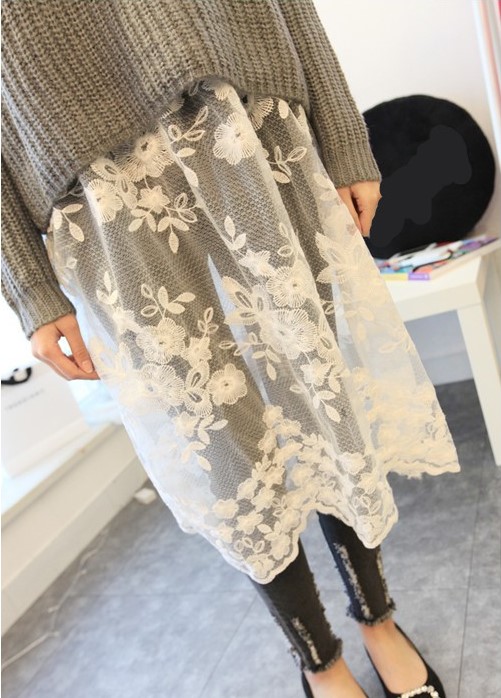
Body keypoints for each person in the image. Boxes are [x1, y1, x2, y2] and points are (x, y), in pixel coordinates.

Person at [2, 1, 460, 696]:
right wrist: (27, 284)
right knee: (222, 447)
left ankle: (377, 619)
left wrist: (342, 135)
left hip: (243, 117)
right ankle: (319, 659)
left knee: (321, 395)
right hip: (92, 182)